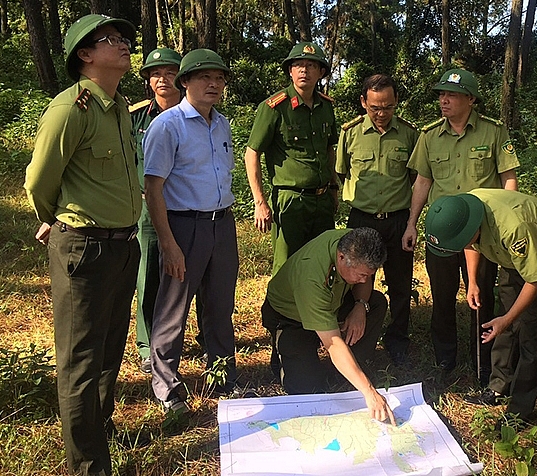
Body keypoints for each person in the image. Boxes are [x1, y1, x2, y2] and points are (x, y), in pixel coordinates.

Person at [24, 14, 141, 475]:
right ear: (85, 55)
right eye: (111, 40)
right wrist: (54, 220)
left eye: (124, 38)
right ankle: (88, 464)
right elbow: (38, 180)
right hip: (83, 248)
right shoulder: (70, 109)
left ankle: (100, 428)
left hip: (122, 245)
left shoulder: (119, 108)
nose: (124, 45)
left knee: (110, 349)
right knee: (80, 361)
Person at [401, 69, 519, 383]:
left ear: (470, 99)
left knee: (481, 296)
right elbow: (423, 181)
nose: (443, 100)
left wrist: (507, 220)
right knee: (442, 296)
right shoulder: (429, 136)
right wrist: (412, 224)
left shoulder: (493, 132)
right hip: (441, 231)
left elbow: (508, 177)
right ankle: (444, 358)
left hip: (481, 234)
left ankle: (482, 361)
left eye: (450, 95)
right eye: (440, 94)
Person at [143, 49, 244, 413]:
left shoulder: (222, 123)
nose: (214, 84)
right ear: (184, 81)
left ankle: (221, 376)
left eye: (219, 78)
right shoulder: (167, 125)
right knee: (173, 308)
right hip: (183, 225)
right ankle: (167, 387)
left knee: (220, 304)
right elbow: (153, 189)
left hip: (222, 224)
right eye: (204, 77)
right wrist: (168, 243)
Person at [424, 189, 537, 424]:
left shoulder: (513, 229)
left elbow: (536, 279)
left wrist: (508, 319)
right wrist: (472, 282)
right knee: (504, 323)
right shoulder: (465, 210)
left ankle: (519, 411)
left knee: (532, 331)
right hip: (510, 259)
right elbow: (468, 243)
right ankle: (498, 386)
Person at [260, 227, 396, 425]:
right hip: (292, 317)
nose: (364, 281)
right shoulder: (312, 276)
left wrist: (360, 305)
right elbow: (333, 344)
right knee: (306, 390)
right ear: (341, 257)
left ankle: (350, 368)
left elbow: (365, 278)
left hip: (333, 304)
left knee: (375, 303)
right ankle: (284, 352)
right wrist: (369, 391)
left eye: (368, 275)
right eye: (360, 275)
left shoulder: (356, 244)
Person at [336, 74, 419, 365]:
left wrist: (411, 222)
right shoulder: (350, 133)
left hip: (397, 220)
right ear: (363, 102)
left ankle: (397, 340)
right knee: (357, 279)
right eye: (374, 107)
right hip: (362, 220)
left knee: (400, 283)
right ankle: (354, 335)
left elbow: (415, 178)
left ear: (396, 102)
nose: (381, 113)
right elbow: (341, 173)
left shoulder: (409, 134)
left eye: (387, 107)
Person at [244, 41, 339, 275]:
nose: (304, 70)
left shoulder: (326, 107)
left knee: (322, 264)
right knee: (287, 267)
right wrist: (260, 202)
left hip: (322, 198)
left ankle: (314, 311)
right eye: (298, 65)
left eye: (310, 65)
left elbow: (329, 150)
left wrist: (334, 189)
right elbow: (252, 153)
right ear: (290, 71)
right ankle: (280, 312)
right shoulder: (275, 107)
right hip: (291, 199)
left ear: (321, 72)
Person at [130, 47, 183, 374]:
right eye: (155, 74)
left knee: (195, 278)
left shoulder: (194, 113)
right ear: (148, 81)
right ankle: (147, 345)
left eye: (169, 72)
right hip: (148, 209)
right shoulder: (135, 117)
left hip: (187, 207)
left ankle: (205, 340)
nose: (162, 79)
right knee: (148, 277)